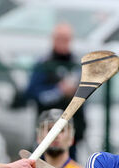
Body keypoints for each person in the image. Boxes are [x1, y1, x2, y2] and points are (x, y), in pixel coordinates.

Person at [23, 22, 86, 157]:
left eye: (66, 38)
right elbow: (32, 93)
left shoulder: (77, 64)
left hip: (71, 129)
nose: (63, 42)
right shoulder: (43, 64)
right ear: (53, 39)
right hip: (47, 129)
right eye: (60, 38)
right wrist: (59, 91)